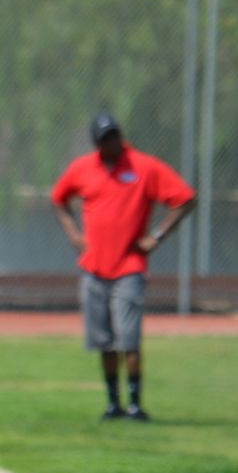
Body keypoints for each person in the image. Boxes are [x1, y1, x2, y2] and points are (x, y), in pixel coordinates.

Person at [51, 114, 195, 421]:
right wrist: (73, 234)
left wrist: (157, 236)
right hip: (94, 267)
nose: (111, 143)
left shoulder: (143, 166)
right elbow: (58, 199)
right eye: (105, 139)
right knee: (103, 341)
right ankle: (113, 402)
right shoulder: (82, 168)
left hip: (129, 267)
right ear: (96, 143)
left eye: (114, 136)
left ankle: (135, 404)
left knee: (128, 340)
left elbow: (184, 198)